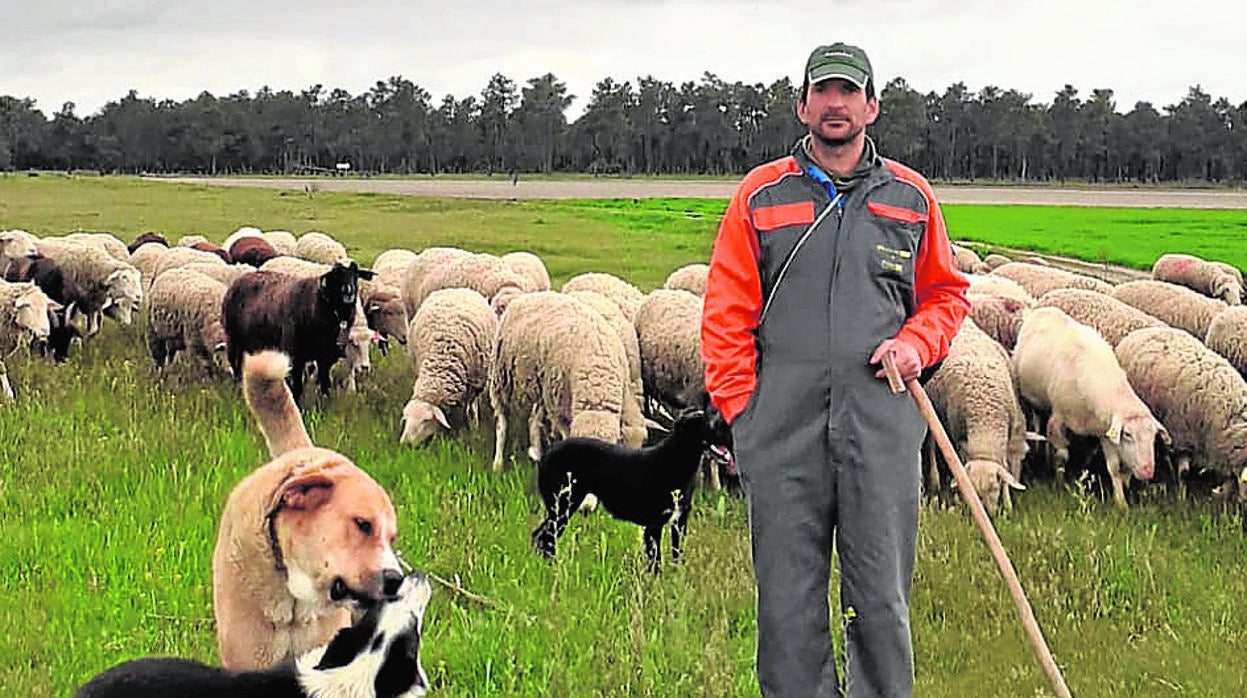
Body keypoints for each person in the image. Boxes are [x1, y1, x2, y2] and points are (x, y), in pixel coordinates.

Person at [700, 42, 969, 697]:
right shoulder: (759, 196)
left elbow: (945, 295)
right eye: (822, 91)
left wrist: (914, 344)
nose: (835, 103)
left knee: (879, 597)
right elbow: (725, 311)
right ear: (802, 105)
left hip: (879, 426)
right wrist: (744, 413)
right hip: (780, 432)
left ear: (871, 106)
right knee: (787, 604)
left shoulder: (910, 197)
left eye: (849, 92)